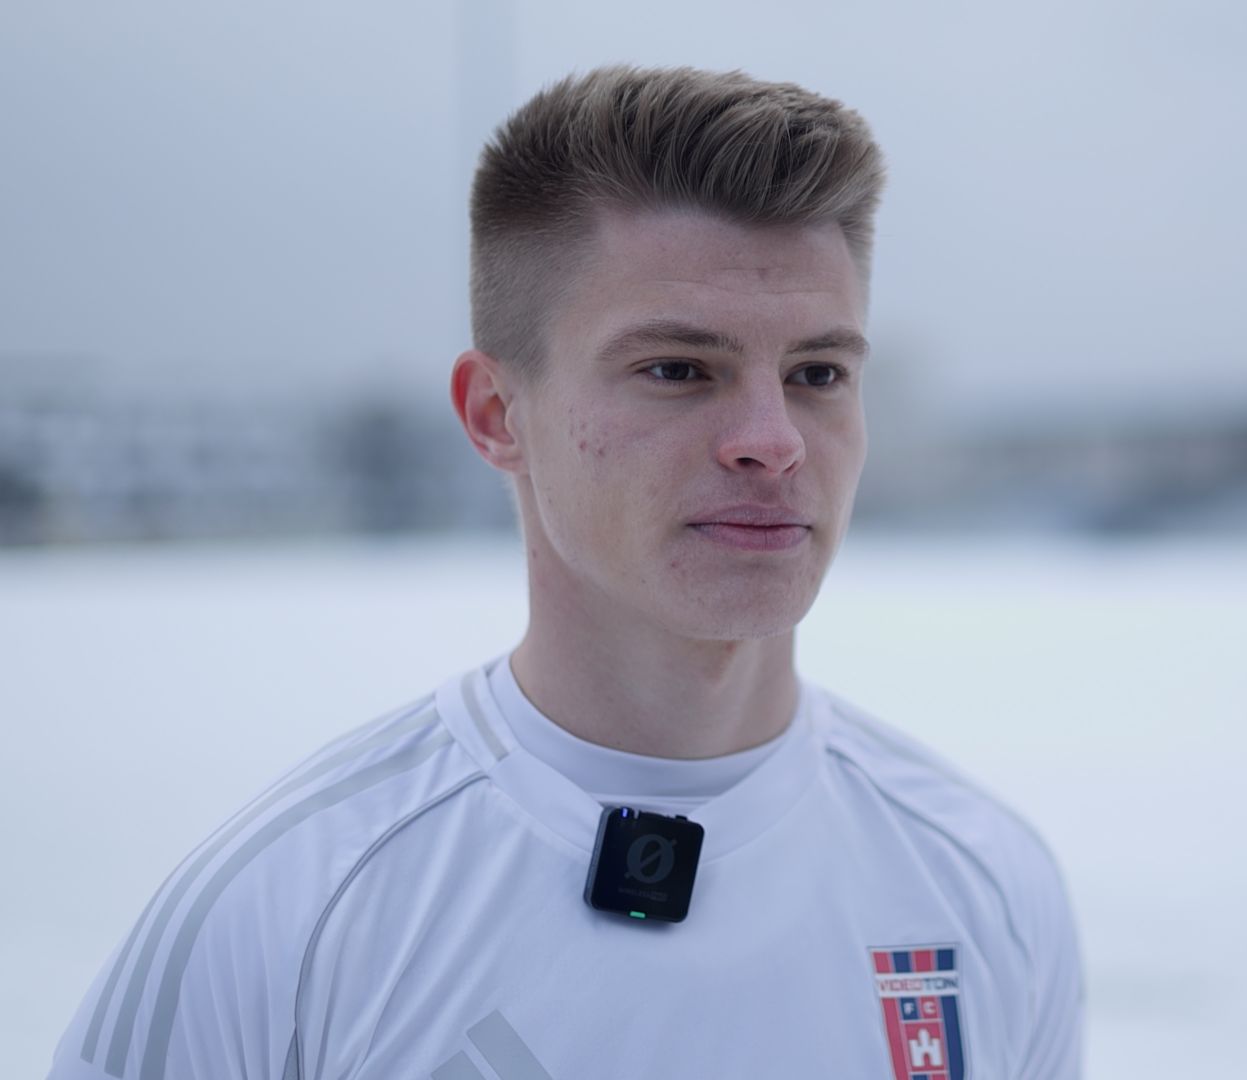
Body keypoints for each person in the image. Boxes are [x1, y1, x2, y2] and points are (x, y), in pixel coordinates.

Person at [48, 64, 1083, 1080]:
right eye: (677, 370)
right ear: (497, 415)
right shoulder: (289, 914)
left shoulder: (983, 878)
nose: (773, 441)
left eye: (818, 373)